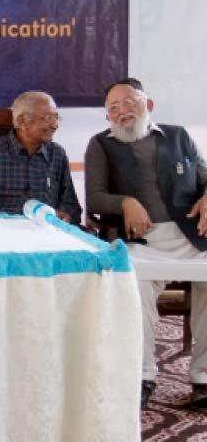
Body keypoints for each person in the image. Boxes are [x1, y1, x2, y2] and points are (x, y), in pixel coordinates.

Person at [85, 77, 207, 411]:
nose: (122, 111)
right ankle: (142, 376)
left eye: (129, 102)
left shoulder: (178, 136)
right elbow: (94, 197)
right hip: (140, 239)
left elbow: (204, 179)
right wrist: (126, 202)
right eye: (113, 108)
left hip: (190, 235)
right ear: (107, 117)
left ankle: (203, 379)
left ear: (147, 105)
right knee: (134, 287)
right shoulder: (100, 144)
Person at [0, 91, 82, 222]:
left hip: (47, 232)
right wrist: (15, 218)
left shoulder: (57, 154)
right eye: (47, 118)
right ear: (22, 121)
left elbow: (71, 205)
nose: (55, 125)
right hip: (1, 232)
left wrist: (65, 215)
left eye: (56, 117)